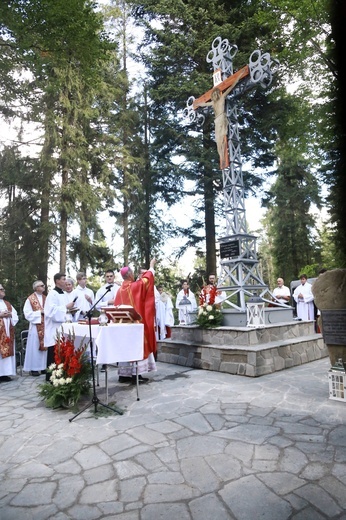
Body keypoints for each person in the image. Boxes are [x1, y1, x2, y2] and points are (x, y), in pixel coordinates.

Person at [114, 259, 157, 383]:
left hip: (123, 326)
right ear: (129, 275)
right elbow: (146, 281)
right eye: (132, 273)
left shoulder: (120, 290)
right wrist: (151, 267)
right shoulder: (133, 286)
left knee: (125, 347)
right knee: (136, 347)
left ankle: (123, 374)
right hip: (135, 325)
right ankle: (135, 374)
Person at [44, 273, 76, 381]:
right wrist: (66, 307)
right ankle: (52, 378)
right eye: (63, 279)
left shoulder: (62, 294)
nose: (65, 281)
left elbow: (63, 309)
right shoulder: (52, 294)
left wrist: (70, 310)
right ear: (57, 281)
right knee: (54, 355)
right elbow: (50, 312)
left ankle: (61, 377)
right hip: (54, 329)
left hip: (62, 329)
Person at [23, 280, 47, 376]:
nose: (43, 287)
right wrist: (39, 313)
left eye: (43, 285)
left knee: (45, 346)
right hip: (35, 327)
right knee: (34, 347)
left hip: (45, 326)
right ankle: (34, 368)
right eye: (41, 285)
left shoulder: (46, 298)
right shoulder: (30, 299)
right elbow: (27, 313)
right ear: (36, 288)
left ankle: (44, 367)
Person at [0, 284, 18, 382]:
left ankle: (5, 374)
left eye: (3, 289)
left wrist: (10, 314)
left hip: (7, 331)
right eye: (1, 289)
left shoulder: (7, 303)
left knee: (7, 352)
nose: (3, 290)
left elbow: (15, 315)